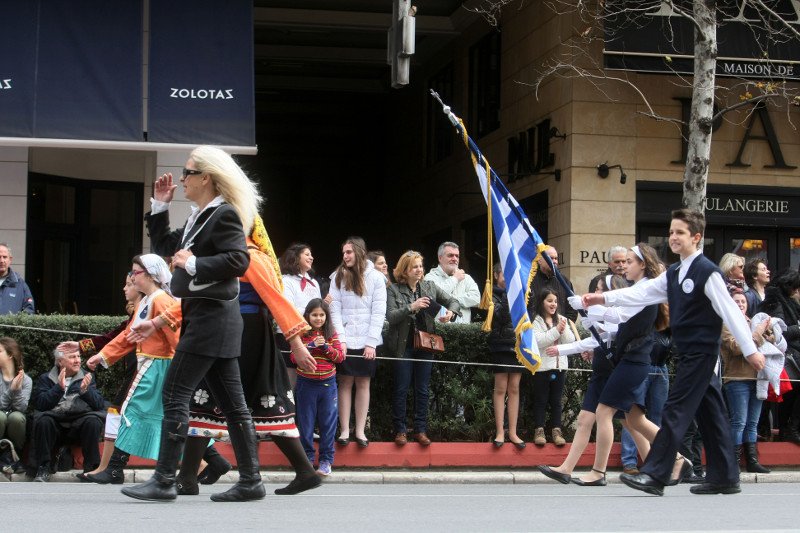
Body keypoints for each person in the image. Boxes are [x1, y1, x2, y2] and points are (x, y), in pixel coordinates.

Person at [134, 215, 322, 497]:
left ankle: (191, 478)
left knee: (227, 401)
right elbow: (200, 300)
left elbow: (275, 299)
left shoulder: (250, 258)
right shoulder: (227, 257)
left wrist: (296, 342)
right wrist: (158, 322)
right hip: (228, 332)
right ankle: (189, 477)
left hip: (247, 337)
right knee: (211, 402)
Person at [585, 208, 765, 496]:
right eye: (670, 232)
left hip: (702, 354)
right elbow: (641, 293)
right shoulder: (675, 273)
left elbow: (730, 312)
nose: (673, 237)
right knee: (712, 415)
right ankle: (726, 477)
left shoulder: (707, 272)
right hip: (688, 354)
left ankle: (656, 474)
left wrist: (750, 349)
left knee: (675, 410)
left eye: (680, 232)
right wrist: (602, 297)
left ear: (696, 237)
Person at [121, 145, 265, 502]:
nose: (181, 179)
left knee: (174, 393)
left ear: (207, 178)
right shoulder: (202, 216)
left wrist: (194, 263)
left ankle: (165, 480)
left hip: (211, 320)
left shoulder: (224, 215)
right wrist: (160, 206)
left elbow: (238, 260)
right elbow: (168, 249)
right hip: (210, 319)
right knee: (234, 406)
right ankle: (251, 481)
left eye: (187, 173)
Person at [567, 244, 690, 487]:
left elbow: (620, 314)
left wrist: (588, 304)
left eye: (631, 261)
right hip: (630, 358)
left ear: (643, 264)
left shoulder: (645, 289)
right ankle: (677, 458)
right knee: (635, 420)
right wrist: (588, 309)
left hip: (635, 359)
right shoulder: (641, 288)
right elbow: (618, 314)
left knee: (604, 412)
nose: (626, 266)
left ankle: (598, 472)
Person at [83, 255, 178, 484]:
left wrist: (183, 369)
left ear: (149, 274)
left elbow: (176, 339)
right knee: (165, 417)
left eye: (135, 272)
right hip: (153, 365)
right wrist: (103, 355)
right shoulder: (146, 301)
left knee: (130, 411)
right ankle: (213, 460)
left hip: (159, 366)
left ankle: (115, 468)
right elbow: (128, 336)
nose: (131, 276)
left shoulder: (161, 301)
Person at [537, 275, 627, 484]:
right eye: (594, 289)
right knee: (585, 420)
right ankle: (566, 468)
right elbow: (592, 340)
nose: (595, 293)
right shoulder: (602, 315)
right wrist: (561, 348)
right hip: (600, 373)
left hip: (616, 374)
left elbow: (605, 334)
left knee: (634, 423)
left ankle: (669, 460)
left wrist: (585, 308)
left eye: (600, 290)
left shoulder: (621, 314)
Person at [58, 273, 141, 482]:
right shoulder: (141, 311)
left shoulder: (149, 308)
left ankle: (110, 469)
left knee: (117, 412)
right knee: (144, 415)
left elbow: (119, 339)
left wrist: (99, 356)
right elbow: (116, 337)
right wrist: (82, 346)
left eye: (128, 284)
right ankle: (110, 469)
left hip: (147, 369)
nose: (124, 289)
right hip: (140, 369)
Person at [385, 251, 459, 446]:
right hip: (403, 347)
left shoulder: (429, 286)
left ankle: (420, 430)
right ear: (405, 270)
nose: (419, 270)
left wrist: (450, 313)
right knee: (401, 389)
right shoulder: (394, 289)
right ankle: (400, 430)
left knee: (423, 389)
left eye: (420, 266)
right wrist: (412, 306)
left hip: (426, 345)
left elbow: (453, 301)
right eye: (415, 267)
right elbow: (391, 316)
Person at [330, 236, 387, 448]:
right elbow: (334, 310)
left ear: (360, 252)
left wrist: (371, 342)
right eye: (343, 253)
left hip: (366, 341)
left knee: (363, 382)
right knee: (344, 382)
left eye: (349, 252)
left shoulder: (376, 277)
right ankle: (344, 430)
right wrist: (340, 341)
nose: (345, 256)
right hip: (345, 339)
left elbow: (379, 311)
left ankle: (360, 431)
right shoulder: (337, 276)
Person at [721, 287, 778, 474]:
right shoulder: (726, 323)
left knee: (753, 423)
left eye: (743, 302)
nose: (740, 305)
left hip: (758, 378)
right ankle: (733, 461)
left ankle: (752, 460)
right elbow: (736, 348)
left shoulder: (753, 322)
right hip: (737, 378)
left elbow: (767, 347)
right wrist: (758, 334)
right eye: (736, 302)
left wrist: (769, 335)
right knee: (739, 421)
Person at [31, 350, 106, 482]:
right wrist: (58, 388)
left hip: (78, 424)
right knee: (43, 421)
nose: (77, 360)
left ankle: (91, 468)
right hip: (55, 425)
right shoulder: (46, 378)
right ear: (60, 362)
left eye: (78, 356)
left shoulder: (86, 376)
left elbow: (99, 404)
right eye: (72, 357)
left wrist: (85, 391)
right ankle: (43, 468)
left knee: (93, 421)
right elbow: (40, 404)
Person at [293, 299, 345, 476]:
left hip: (328, 385)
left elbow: (339, 357)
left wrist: (324, 347)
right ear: (307, 315)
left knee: (328, 423)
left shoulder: (331, 333)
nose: (318, 318)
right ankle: (307, 459)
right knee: (305, 424)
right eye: (314, 315)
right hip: (305, 384)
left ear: (326, 316)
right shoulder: (301, 333)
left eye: (322, 315)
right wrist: (310, 346)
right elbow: (294, 358)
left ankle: (325, 461)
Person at [758, 269, 800, 444]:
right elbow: (778, 331)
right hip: (784, 354)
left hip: (793, 353)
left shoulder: (790, 302)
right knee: (789, 392)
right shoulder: (775, 301)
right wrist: (798, 328)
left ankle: (789, 428)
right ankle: (788, 428)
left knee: (791, 393)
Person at [531, 288, 577, 446]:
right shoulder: (535, 320)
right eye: (549, 301)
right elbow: (539, 341)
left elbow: (570, 342)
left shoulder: (562, 319)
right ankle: (539, 430)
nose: (553, 304)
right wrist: (557, 331)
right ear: (542, 302)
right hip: (542, 367)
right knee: (541, 400)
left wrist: (562, 329)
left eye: (555, 301)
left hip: (560, 367)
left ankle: (556, 431)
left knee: (556, 401)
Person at [487, 262, 525, 448]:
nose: (508, 278)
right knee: (501, 387)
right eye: (504, 274)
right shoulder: (491, 292)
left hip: (517, 344)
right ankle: (500, 431)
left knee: (515, 387)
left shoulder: (520, 292)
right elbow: (499, 316)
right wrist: (509, 296)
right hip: (500, 344)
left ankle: (513, 432)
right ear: (496, 275)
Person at [279, 242, 321, 388]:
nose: (311, 257)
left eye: (311, 255)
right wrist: (312, 314)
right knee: (289, 380)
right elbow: (287, 309)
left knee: (307, 379)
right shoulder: (286, 280)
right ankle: (289, 410)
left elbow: (319, 309)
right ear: (295, 257)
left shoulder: (314, 282)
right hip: (290, 335)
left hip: (310, 335)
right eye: (307, 254)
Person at [424, 241, 480, 324]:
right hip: (439, 332)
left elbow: (476, 299)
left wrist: (451, 300)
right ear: (440, 258)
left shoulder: (466, 278)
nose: (454, 259)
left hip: (464, 331)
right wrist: (455, 279)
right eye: (450, 255)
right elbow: (434, 298)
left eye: (457, 256)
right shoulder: (430, 277)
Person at [0, 337, 32, 461]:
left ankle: (14, 456)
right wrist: (10, 390)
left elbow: (21, 408)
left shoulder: (26, 380)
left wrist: (17, 390)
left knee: (17, 417)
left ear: (10, 355)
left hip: (16, 420)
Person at [528, 246, 577, 323]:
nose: (555, 261)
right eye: (551, 258)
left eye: (556, 258)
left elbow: (572, 309)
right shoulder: (529, 281)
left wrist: (564, 328)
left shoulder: (564, 282)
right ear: (540, 260)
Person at [0, 243, 34, 314]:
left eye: (5, 257)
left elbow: (29, 310)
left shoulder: (20, 284)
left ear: (10, 260)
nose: (2, 261)